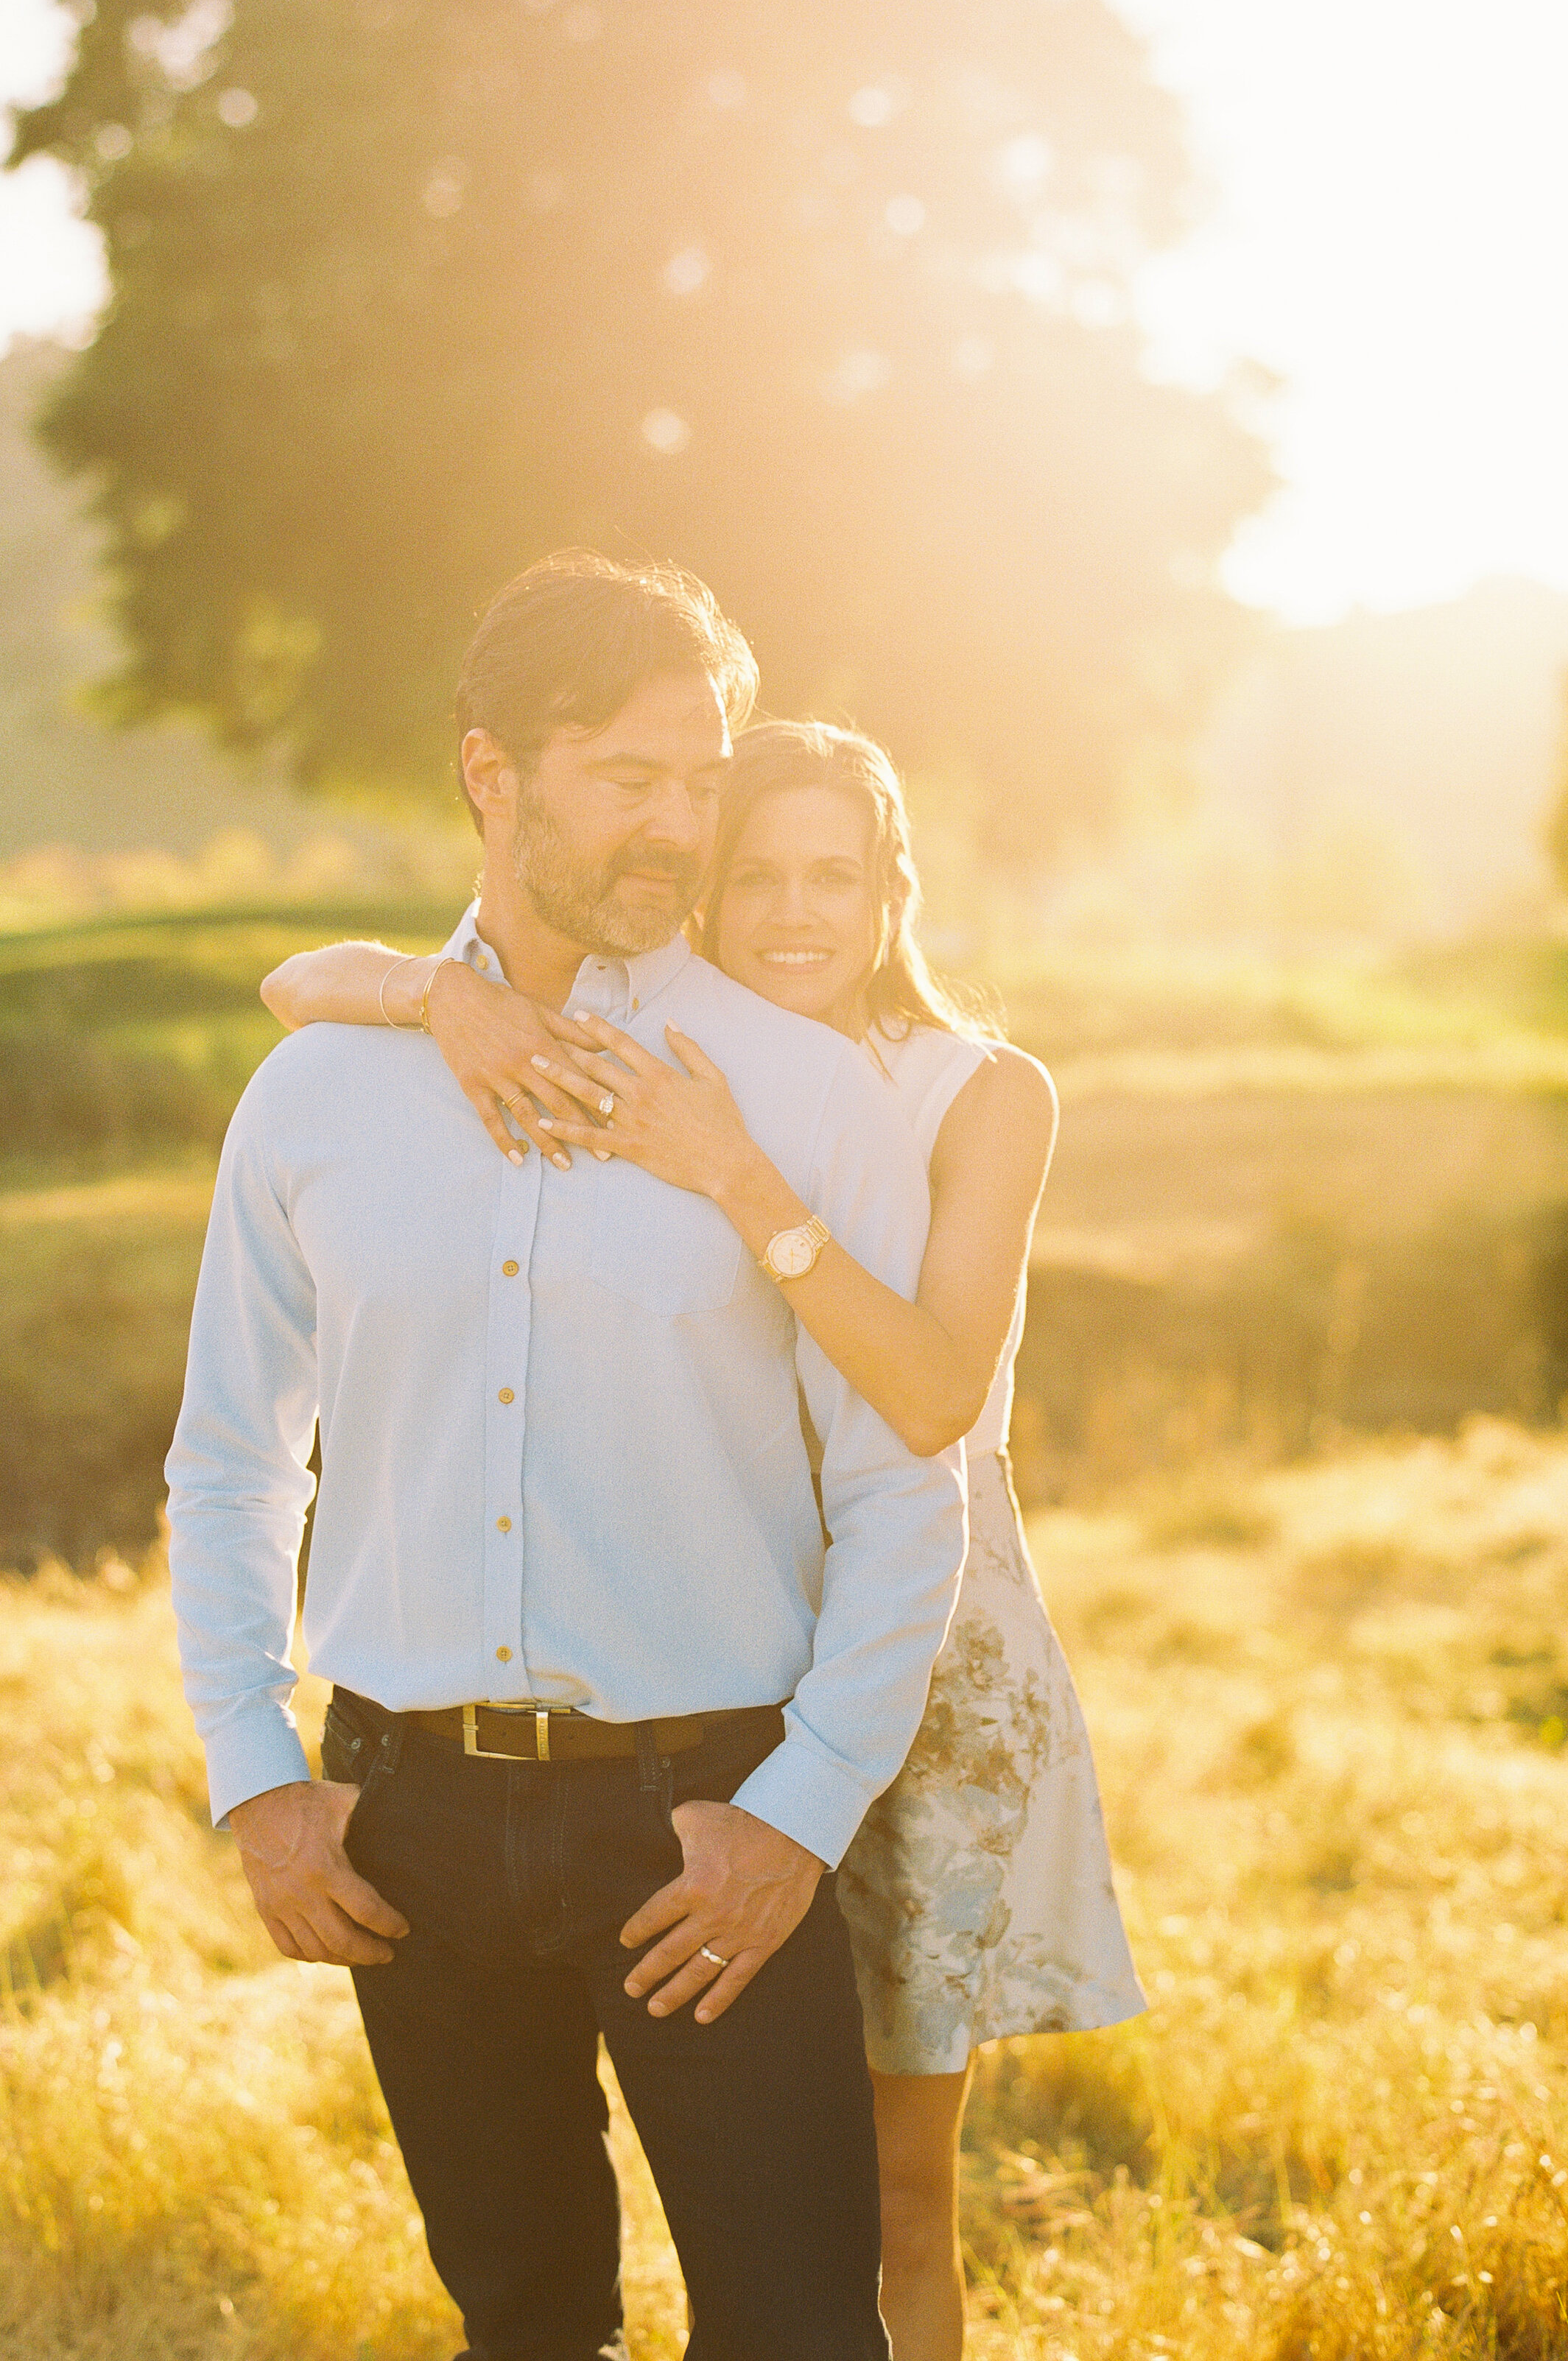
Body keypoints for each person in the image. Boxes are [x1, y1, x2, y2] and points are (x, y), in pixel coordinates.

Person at [166, 553, 968, 2361]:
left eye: (700, 776)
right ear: (491, 775)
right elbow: (230, 1456)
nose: (677, 825)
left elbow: (907, 1482)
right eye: (627, 777)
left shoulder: (798, 1088)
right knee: (521, 2326)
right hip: (408, 1822)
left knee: (795, 2336)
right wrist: (254, 1771)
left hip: (707, 1822)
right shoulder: (317, 1093)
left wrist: (799, 1809)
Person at [266, 718, 1145, 2361]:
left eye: (835, 878)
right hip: (723, 1673)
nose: (793, 914)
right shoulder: (645, 1038)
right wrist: (439, 992)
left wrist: (738, 1179)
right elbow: (297, 985)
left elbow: (934, 1394)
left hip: (915, 1661)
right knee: (698, 2174)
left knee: (882, 2205)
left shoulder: (964, 1092)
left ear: (895, 894)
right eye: (755, 877)